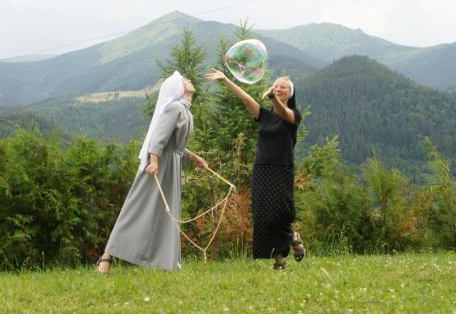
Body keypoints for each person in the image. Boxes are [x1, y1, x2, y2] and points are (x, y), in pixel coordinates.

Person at [97, 71, 208, 274]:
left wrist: (195, 158)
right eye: (185, 80)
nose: (190, 81)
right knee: (137, 208)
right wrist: (154, 161)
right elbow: (158, 138)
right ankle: (106, 257)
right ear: (178, 88)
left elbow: (177, 145)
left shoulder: (186, 112)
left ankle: (165, 262)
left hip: (171, 164)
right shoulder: (174, 108)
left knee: (166, 212)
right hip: (159, 165)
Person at [205, 68, 305, 269]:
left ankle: (292, 236)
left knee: (280, 213)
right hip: (261, 169)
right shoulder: (265, 116)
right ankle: (279, 261)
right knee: (263, 215)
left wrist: (272, 98)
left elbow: (283, 112)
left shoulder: (293, 116)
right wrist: (225, 80)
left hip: (281, 169)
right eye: (275, 86)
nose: (278, 89)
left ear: (290, 93)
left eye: (282, 87)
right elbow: (245, 98)